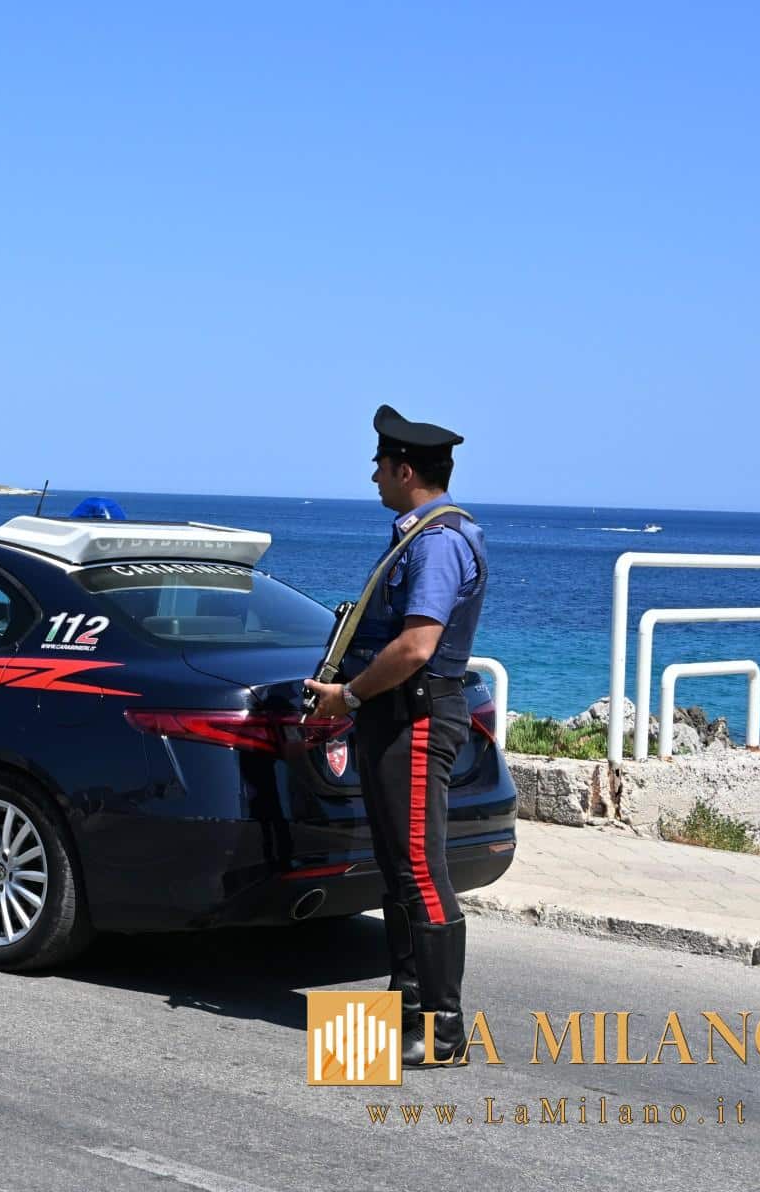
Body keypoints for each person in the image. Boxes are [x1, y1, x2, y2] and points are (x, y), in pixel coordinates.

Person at [304, 405, 487, 1068]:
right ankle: (406, 1005)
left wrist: (348, 695)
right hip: (396, 716)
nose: (374, 473)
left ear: (405, 468)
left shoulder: (437, 542)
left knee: (419, 866)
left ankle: (444, 1029)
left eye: (381, 463)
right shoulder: (421, 533)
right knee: (397, 865)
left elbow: (416, 646)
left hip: (414, 715)